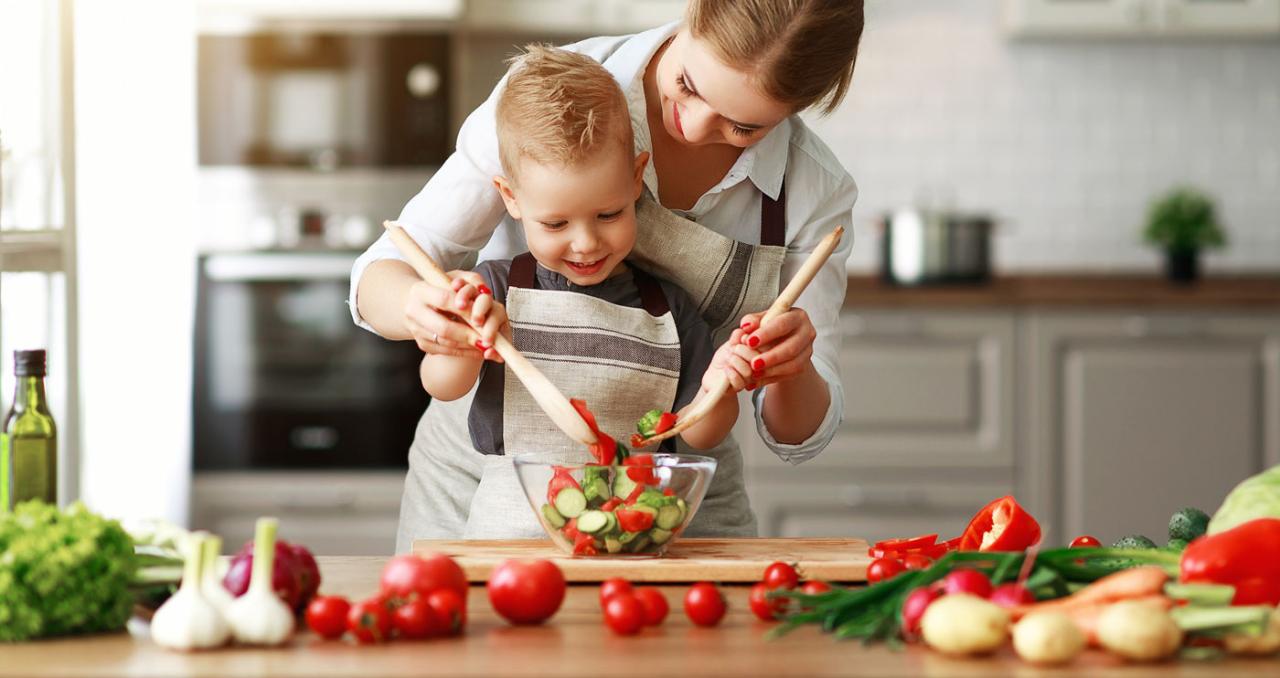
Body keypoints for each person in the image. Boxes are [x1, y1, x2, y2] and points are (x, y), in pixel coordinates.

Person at [352, 0, 865, 548]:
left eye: (742, 126)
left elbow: (798, 434)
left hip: (673, 494)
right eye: (688, 85)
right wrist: (426, 312)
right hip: (489, 479)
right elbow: (382, 273)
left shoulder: (812, 190)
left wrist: (790, 366)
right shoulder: (551, 99)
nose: (691, 127)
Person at [400, 45, 760, 547]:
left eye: (609, 215)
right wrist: (458, 340)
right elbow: (443, 386)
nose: (587, 242)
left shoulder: (668, 309)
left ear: (636, 179)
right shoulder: (497, 290)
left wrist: (721, 387)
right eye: (556, 223)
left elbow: (702, 434)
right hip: (507, 544)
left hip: (630, 538)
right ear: (511, 199)